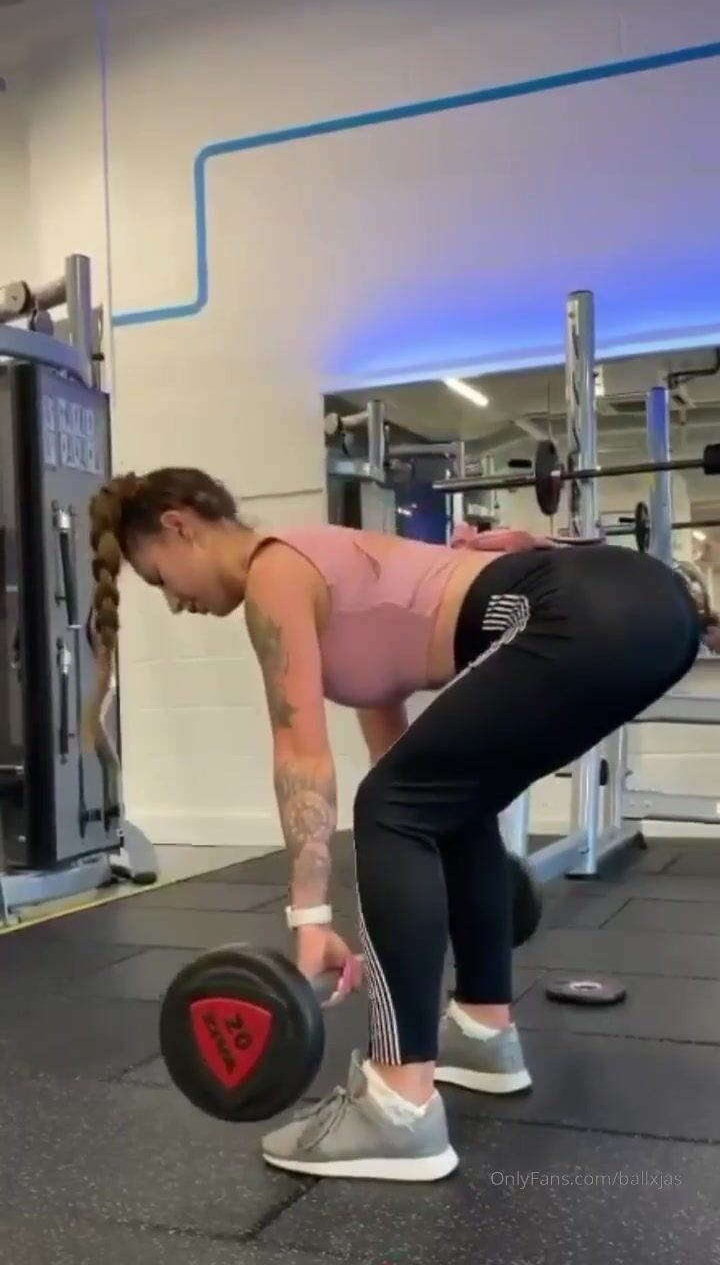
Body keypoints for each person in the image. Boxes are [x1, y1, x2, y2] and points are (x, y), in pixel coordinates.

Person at [85, 467, 702, 1183]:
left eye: (160, 578)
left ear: (180, 526)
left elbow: (301, 757)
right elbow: (410, 777)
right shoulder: (326, 569)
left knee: (392, 806)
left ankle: (398, 1106)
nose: (174, 602)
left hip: (582, 607)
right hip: (646, 610)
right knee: (436, 803)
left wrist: (310, 918)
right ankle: (482, 1032)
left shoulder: (275, 571)